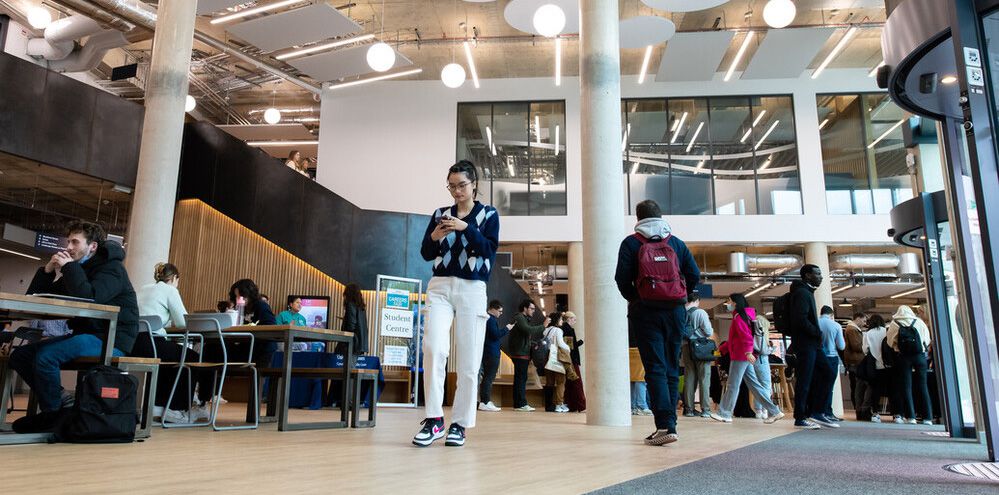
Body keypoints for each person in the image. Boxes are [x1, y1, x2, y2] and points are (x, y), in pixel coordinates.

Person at [412, 160, 500, 448]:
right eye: (452, 186)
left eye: (461, 185)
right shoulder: (440, 213)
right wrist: (436, 236)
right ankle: (434, 419)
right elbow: (426, 252)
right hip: (439, 285)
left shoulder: (488, 214)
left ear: (474, 184)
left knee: (469, 359)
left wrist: (465, 227)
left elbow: (488, 250)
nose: (457, 191)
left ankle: (460, 423)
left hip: (472, 288)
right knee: (433, 348)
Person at [10, 221, 138, 416]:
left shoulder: (113, 269)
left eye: (75, 242)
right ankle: (62, 400)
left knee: (46, 357)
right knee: (20, 356)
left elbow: (90, 298)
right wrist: (48, 270)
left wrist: (69, 268)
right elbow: (35, 297)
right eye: (68, 241)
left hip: (111, 339)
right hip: (85, 335)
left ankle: (52, 415)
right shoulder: (79, 268)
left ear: (92, 246)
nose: (68, 247)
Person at [615, 199, 700, 446]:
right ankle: (671, 423)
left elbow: (621, 279)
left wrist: (637, 299)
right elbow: (694, 275)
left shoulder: (631, 243)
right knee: (672, 366)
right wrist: (681, 295)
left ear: (638, 220)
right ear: (661, 216)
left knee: (654, 367)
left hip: (645, 312)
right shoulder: (675, 242)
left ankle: (664, 425)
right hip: (675, 311)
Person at [133, 263, 212, 422]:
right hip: (152, 342)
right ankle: (176, 409)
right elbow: (184, 322)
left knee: (169, 358)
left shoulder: (144, 288)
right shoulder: (170, 290)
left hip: (134, 342)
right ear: (175, 278)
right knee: (190, 358)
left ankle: (157, 407)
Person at [710, 294, 784, 424]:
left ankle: (725, 413)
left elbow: (746, 337)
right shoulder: (743, 317)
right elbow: (736, 339)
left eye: (729, 301)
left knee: (733, 384)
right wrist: (722, 350)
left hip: (740, 356)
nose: (727, 304)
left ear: (736, 303)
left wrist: (748, 351)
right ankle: (774, 411)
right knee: (754, 385)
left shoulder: (739, 318)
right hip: (742, 355)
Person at [785, 264, 828, 430]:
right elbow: (800, 319)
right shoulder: (802, 293)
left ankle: (816, 411)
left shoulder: (806, 292)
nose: (821, 277)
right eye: (817, 273)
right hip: (806, 343)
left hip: (811, 343)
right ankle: (801, 416)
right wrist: (816, 332)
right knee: (804, 379)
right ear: (808, 275)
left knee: (826, 372)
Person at [886, 305, 933, 425]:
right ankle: (927, 417)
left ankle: (911, 416)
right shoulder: (919, 322)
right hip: (919, 356)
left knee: (906, 386)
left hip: (903, 357)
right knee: (923, 385)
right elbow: (927, 340)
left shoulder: (895, 323)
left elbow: (890, 342)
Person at [508, 299, 549, 414]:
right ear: (525, 308)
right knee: (520, 379)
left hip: (523, 353)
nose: (533, 311)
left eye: (534, 309)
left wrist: (532, 344)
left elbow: (526, 335)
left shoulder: (524, 318)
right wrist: (543, 326)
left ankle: (519, 403)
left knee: (521, 378)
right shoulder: (520, 317)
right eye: (531, 308)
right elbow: (528, 330)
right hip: (520, 353)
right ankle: (520, 404)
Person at [810, 305, 845, 428]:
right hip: (831, 357)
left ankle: (814, 410)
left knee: (816, 385)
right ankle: (826, 412)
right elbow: (841, 346)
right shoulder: (836, 326)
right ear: (832, 315)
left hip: (816, 357)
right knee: (828, 386)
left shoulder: (815, 323)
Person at [681, 293, 713, 418]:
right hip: (701, 347)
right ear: (697, 300)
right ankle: (705, 409)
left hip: (685, 346)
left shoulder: (681, 312)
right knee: (704, 378)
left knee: (689, 377)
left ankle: (689, 409)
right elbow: (709, 332)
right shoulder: (700, 313)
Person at [478, 300, 507, 412]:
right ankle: (485, 401)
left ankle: (485, 401)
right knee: (489, 378)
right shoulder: (490, 319)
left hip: (488, 352)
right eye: (500, 311)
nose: (501, 313)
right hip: (491, 353)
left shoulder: (488, 319)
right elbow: (496, 335)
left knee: (487, 378)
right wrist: (506, 329)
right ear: (493, 309)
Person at [542, 312, 573, 413]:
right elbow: (560, 343)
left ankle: (548, 405)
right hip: (556, 358)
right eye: (560, 319)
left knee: (549, 383)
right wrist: (568, 348)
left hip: (547, 358)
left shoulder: (546, 330)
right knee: (560, 382)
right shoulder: (558, 330)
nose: (561, 321)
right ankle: (559, 405)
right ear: (556, 320)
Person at [749, 313, 775, 419]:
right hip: (761, 360)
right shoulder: (761, 333)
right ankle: (764, 409)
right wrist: (771, 349)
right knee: (766, 385)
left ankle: (758, 410)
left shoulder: (751, 332)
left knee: (757, 386)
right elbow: (763, 350)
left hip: (753, 361)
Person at [842, 313, 868, 420]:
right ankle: (858, 410)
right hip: (855, 362)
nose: (864, 323)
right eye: (864, 320)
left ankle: (858, 409)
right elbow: (856, 346)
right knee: (857, 387)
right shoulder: (852, 330)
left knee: (857, 387)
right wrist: (866, 343)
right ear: (858, 319)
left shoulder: (852, 329)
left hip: (854, 362)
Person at [561, 311, 586, 412]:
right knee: (577, 382)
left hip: (567, 359)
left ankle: (571, 405)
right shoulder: (569, 329)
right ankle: (581, 405)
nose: (575, 321)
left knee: (570, 383)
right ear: (569, 319)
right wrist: (580, 342)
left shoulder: (563, 328)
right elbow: (570, 346)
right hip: (572, 360)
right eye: (574, 319)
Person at [341, 283, 369, 355]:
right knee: (352, 365)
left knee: (348, 365)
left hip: (352, 342)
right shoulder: (361, 307)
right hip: (360, 343)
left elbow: (351, 326)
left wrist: (345, 321)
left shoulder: (350, 305)